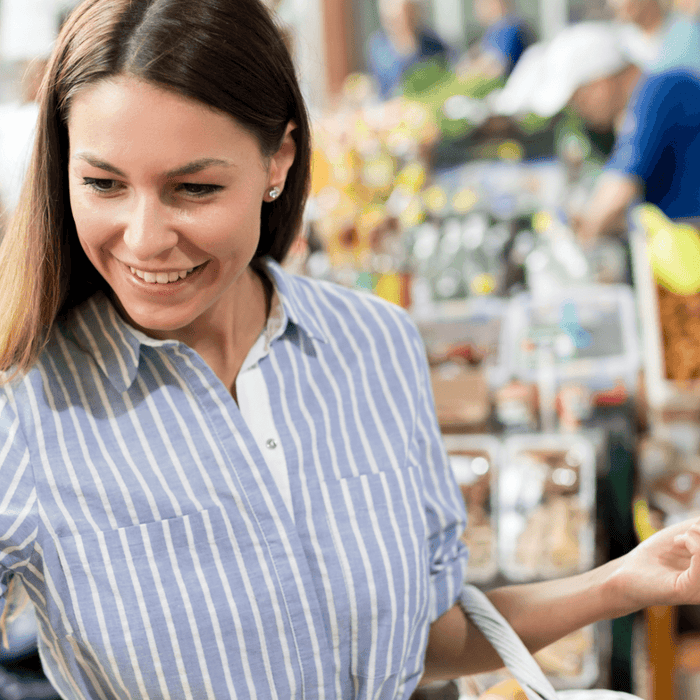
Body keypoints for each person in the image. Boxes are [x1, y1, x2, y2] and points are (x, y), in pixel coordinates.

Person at [2, 1, 700, 698]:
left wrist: (623, 582)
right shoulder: (25, 406)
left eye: (194, 189)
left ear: (278, 159)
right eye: (103, 184)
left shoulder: (375, 345)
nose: (144, 237)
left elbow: (427, 637)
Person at [497, 21, 700, 241]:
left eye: (579, 99)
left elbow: (614, 198)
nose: (579, 111)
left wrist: (584, 228)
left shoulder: (658, 90)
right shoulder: (655, 93)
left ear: (600, 81)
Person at [366, 0, 449, 99]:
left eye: (406, 16)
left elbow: (447, 71)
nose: (400, 23)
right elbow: (378, 84)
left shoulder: (431, 43)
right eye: (394, 19)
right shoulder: (378, 45)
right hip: (391, 107)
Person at [458, 0, 534, 79]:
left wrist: (467, 70)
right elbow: (475, 53)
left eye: (480, 3)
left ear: (495, 3)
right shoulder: (494, 30)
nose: (475, 9)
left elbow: (494, 68)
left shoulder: (508, 27)